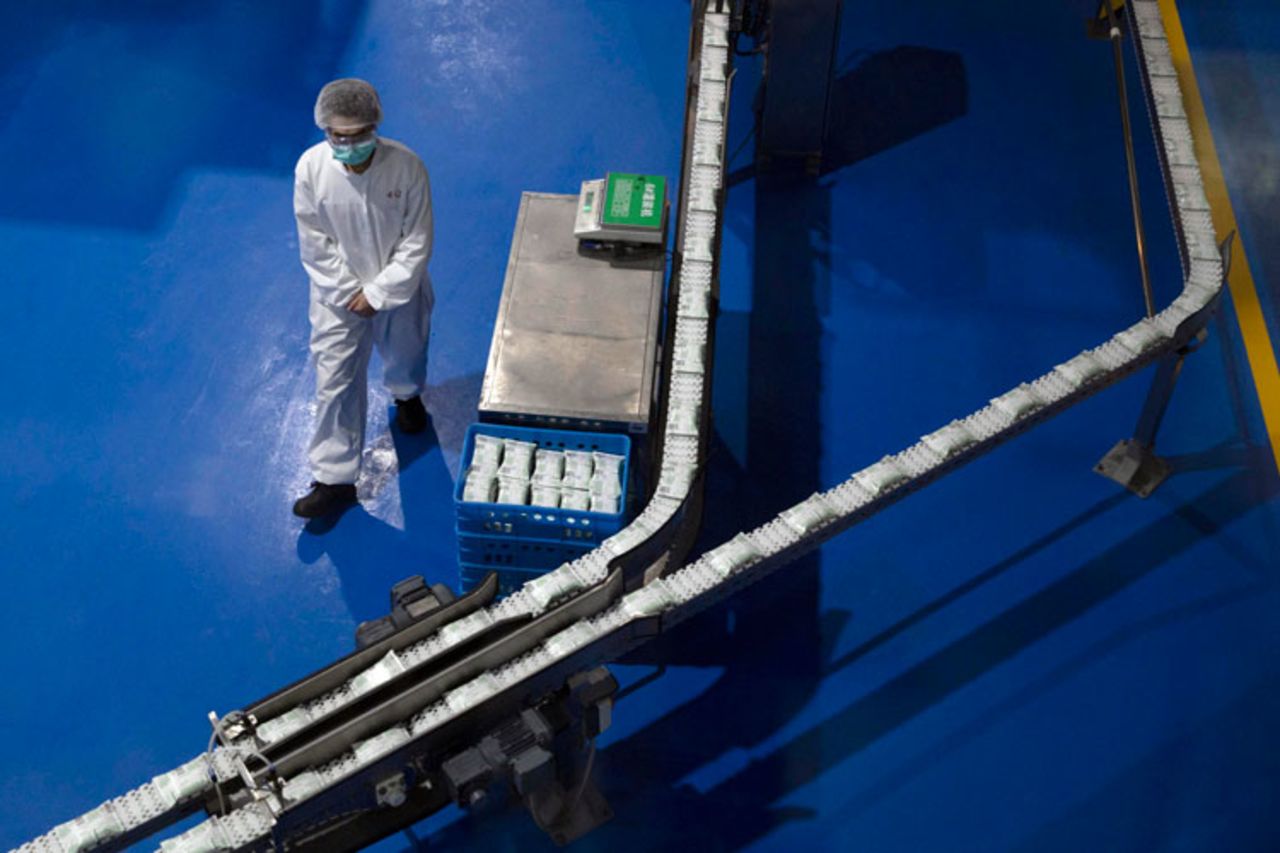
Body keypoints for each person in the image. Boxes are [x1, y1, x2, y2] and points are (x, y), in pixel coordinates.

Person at [292, 78, 434, 518]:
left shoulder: (406, 167)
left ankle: (406, 396)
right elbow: (313, 240)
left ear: (375, 127)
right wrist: (350, 290)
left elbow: (417, 240)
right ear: (325, 130)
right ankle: (333, 478)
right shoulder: (311, 169)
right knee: (333, 381)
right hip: (338, 295)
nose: (347, 144)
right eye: (338, 135)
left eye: (357, 135)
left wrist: (380, 291)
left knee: (406, 350)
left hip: (399, 287)